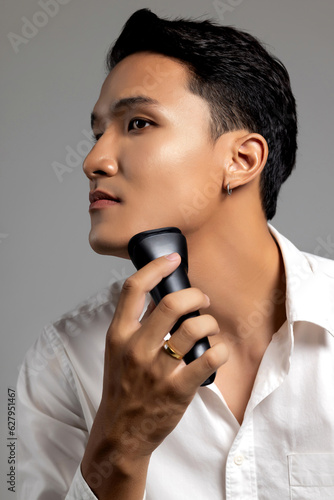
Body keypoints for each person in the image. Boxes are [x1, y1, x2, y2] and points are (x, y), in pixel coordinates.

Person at [17, 8, 334, 500]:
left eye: (138, 123)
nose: (93, 160)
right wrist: (119, 448)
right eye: (98, 132)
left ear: (241, 159)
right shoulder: (59, 362)